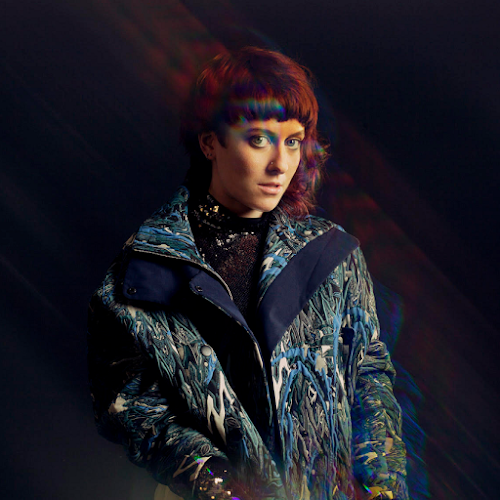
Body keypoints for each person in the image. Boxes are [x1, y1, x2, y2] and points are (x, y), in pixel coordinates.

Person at [87, 47, 408, 500]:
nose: (281, 163)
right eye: (259, 139)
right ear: (209, 143)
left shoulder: (332, 255)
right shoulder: (144, 272)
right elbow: (133, 408)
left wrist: (382, 486)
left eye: (292, 141)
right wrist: (218, 484)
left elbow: (369, 378)